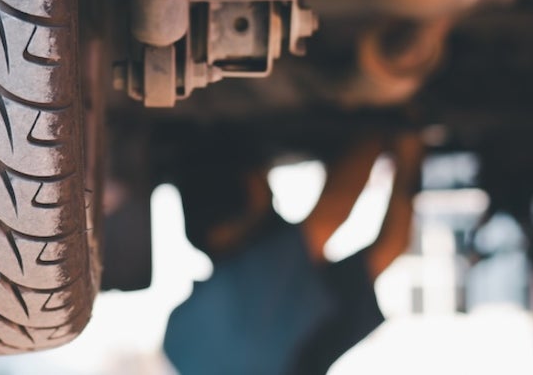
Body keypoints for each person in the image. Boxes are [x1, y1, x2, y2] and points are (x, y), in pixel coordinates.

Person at [163, 128, 423, 375]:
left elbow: (378, 240)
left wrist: (393, 139)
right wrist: (385, 130)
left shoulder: (213, 320)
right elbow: (339, 217)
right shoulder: (196, 327)